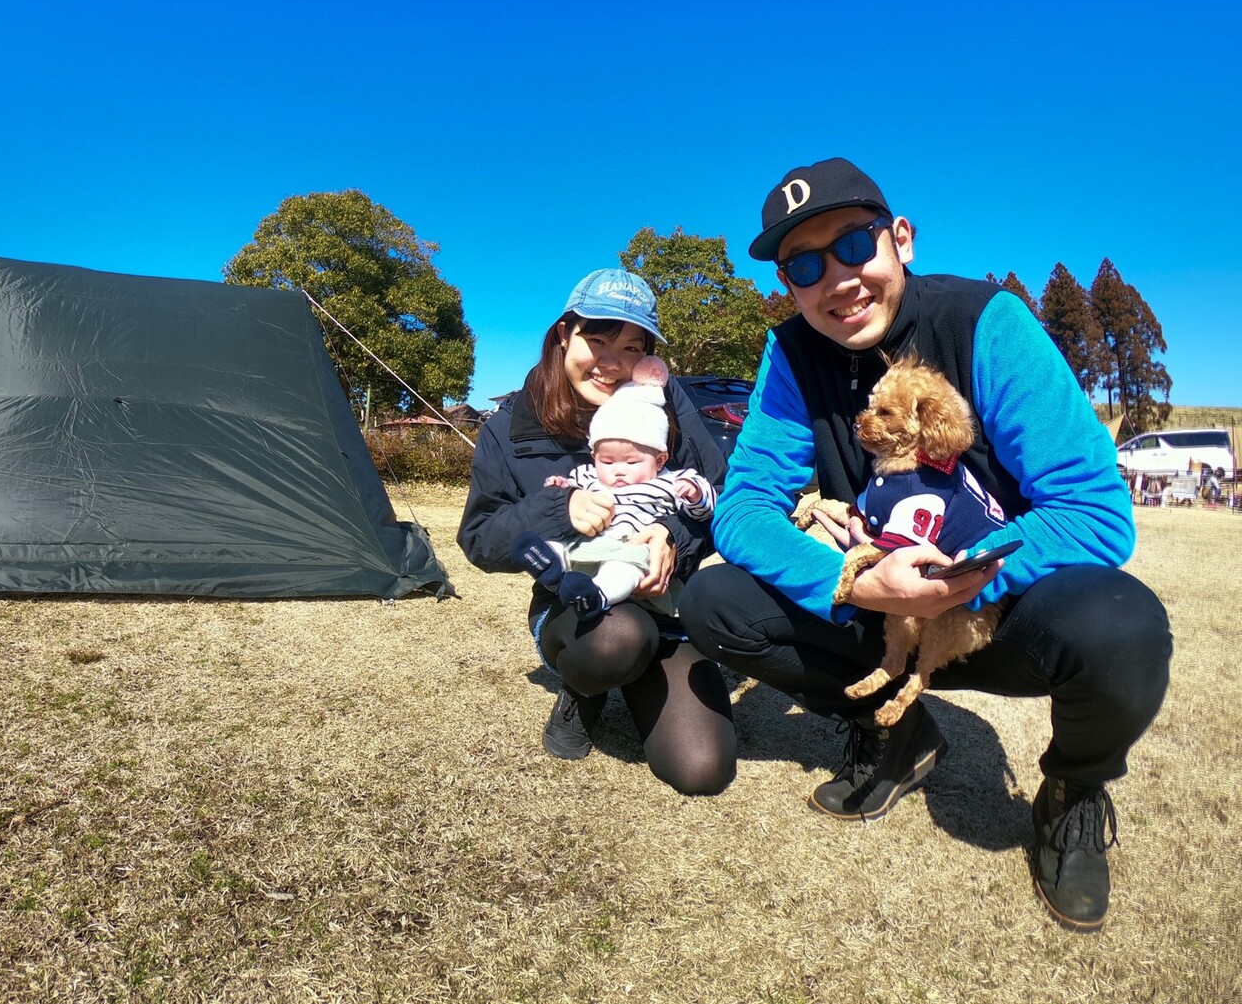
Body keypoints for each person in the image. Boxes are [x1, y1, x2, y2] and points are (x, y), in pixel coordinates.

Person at [678, 158, 1171, 932]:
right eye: (804, 265)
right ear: (788, 284)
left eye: (853, 245)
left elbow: (1097, 510)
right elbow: (741, 511)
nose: (836, 280)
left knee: (1124, 626)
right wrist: (857, 583)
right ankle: (895, 731)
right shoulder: (791, 355)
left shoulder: (987, 322)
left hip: (1004, 606)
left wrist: (959, 576)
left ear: (900, 237)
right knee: (713, 600)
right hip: (881, 607)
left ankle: (1073, 791)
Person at [459, 269, 737, 794]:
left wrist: (672, 537)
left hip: (663, 600)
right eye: (598, 340)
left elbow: (720, 493)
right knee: (619, 636)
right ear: (564, 333)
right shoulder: (511, 424)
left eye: (632, 347)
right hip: (576, 603)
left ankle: (645, 672)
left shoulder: (667, 403)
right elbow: (479, 540)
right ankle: (582, 691)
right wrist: (559, 508)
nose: (612, 364)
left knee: (702, 769)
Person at [511, 354, 716, 622]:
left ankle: (597, 595)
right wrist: (561, 490)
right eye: (606, 460)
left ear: (660, 459)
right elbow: (568, 488)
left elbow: (706, 507)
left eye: (632, 461)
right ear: (594, 456)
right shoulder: (591, 476)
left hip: (631, 549)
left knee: (624, 570)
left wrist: (695, 493)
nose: (618, 469)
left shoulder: (667, 481)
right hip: (587, 545)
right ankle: (549, 567)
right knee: (560, 548)